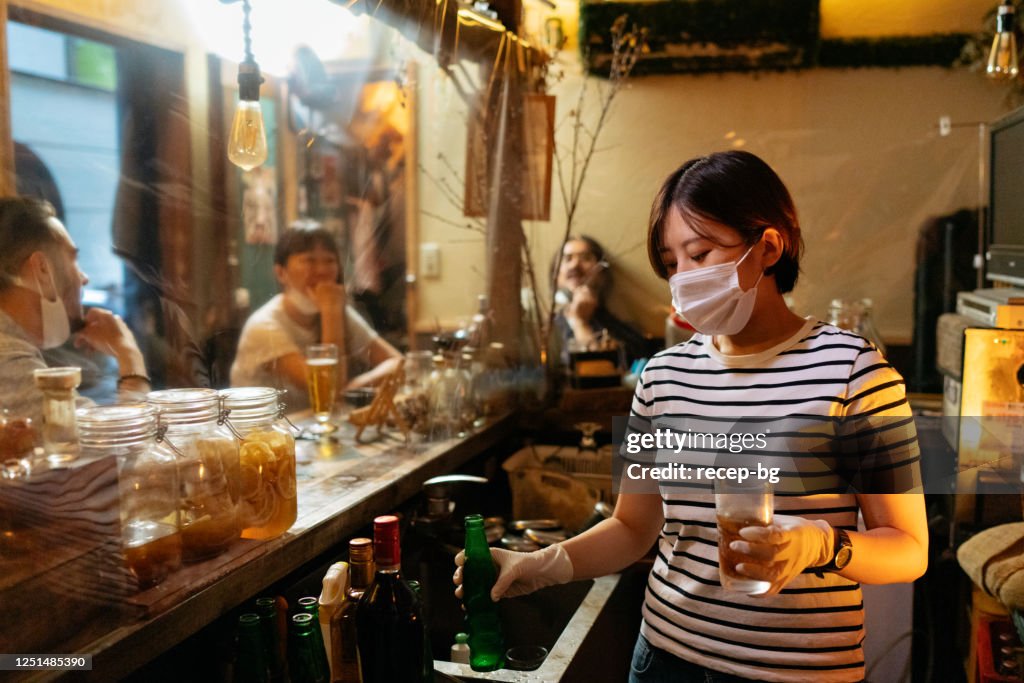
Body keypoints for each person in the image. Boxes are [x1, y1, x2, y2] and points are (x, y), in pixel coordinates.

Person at [456, 151, 928, 682]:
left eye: (700, 254)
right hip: (663, 658)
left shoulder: (852, 370)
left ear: (768, 247)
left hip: (799, 672)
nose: (682, 277)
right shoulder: (662, 377)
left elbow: (908, 550)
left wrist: (820, 545)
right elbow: (633, 526)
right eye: (672, 262)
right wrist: (540, 566)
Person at [0, 197, 151, 426]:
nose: (84, 278)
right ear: (42, 269)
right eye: (73, 259)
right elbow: (114, 448)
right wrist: (129, 355)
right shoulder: (8, 361)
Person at [230, 226, 402, 409]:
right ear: (281, 273)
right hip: (260, 434)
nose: (322, 270)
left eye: (329, 261)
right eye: (309, 260)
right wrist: (330, 312)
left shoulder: (338, 311)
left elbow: (398, 362)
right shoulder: (263, 326)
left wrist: (353, 388)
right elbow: (328, 392)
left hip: (309, 429)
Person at [552, 235, 649, 366]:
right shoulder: (546, 332)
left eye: (585, 258)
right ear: (556, 275)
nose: (575, 265)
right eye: (567, 259)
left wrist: (581, 323)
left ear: (602, 273)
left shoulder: (625, 336)